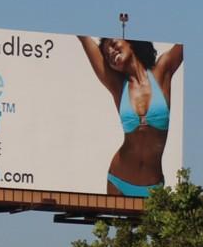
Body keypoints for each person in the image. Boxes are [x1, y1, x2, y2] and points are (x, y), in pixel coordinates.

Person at [77, 36, 183, 197]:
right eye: (106, 54)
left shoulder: (163, 70)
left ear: (131, 42)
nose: (111, 52)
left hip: (153, 187)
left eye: (113, 44)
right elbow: (85, 39)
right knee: (110, 224)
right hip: (118, 181)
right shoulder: (118, 86)